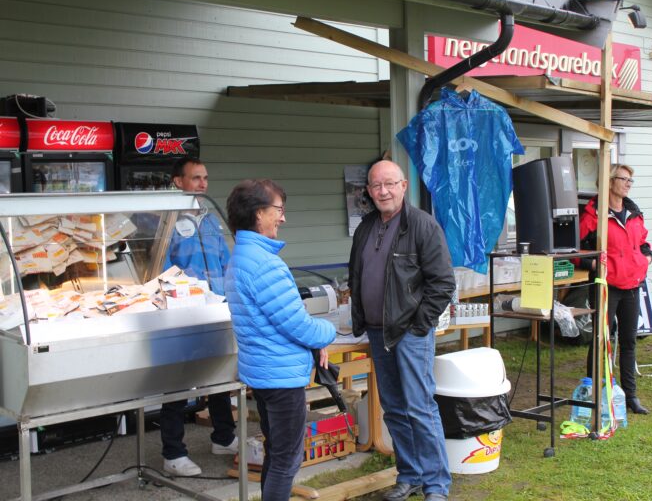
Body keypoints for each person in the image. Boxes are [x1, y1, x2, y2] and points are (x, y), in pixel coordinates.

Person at [348, 160, 455, 501]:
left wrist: (420, 325)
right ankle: (409, 475)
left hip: (410, 332)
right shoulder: (365, 227)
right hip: (378, 332)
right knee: (393, 407)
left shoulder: (422, 226)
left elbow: (443, 283)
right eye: (376, 186)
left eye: (390, 184)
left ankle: (437, 485)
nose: (383, 191)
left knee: (420, 407)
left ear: (404, 186)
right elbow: (357, 274)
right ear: (368, 191)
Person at [224, 179, 336, 501]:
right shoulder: (265, 265)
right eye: (279, 210)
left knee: (276, 455)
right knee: (287, 459)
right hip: (281, 378)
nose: (283, 218)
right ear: (259, 214)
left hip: (264, 373)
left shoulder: (241, 258)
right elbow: (297, 325)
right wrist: (329, 332)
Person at [160, 157, 238, 476]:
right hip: (184, 310)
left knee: (219, 374)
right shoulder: (165, 218)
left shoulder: (208, 219)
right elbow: (162, 267)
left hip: (216, 307)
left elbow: (224, 259)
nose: (203, 184)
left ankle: (224, 436)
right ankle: (173, 453)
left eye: (205, 177)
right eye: (196, 178)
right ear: (178, 181)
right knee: (179, 381)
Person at [580, 163, 652, 415]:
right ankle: (592, 394)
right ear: (610, 181)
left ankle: (630, 396)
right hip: (607, 287)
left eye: (631, 181)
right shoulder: (594, 214)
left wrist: (646, 259)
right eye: (624, 179)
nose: (628, 184)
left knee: (629, 341)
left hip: (632, 285)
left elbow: (644, 243)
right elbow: (576, 250)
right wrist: (595, 265)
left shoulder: (634, 213)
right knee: (601, 340)